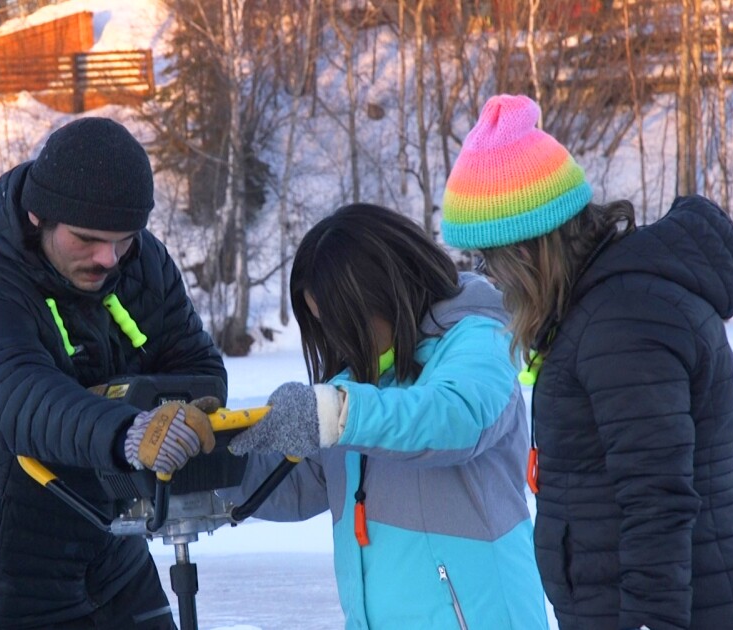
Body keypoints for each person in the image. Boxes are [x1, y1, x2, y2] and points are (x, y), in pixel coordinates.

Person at [441, 94, 733, 630]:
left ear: (527, 248)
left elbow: (657, 498)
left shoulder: (622, 322)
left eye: (488, 258)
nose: (489, 276)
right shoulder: (596, 312)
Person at [0, 117, 226, 629]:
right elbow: (15, 399)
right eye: (88, 238)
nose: (108, 257)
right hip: (3, 578)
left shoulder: (142, 263)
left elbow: (199, 369)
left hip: (113, 553)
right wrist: (126, 429)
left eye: (124, 239)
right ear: (39, 216)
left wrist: (176, 413)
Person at [227, 203, 549, 629]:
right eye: (325, 325)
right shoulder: (360, 379)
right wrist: (209, 465)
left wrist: (334, 413)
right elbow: (302, 480)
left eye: (343, 321)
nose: (337, 338)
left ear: (385, 290)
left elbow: (455, 417)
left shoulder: (477, 337)